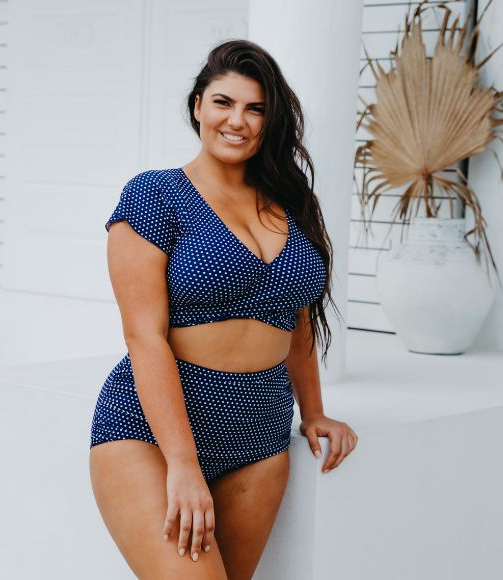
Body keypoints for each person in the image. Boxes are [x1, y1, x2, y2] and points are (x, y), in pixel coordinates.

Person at [88, 39, 358, 580]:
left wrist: (314, 412)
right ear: (197, 107)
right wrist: (182, 464)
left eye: (256, 108)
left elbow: (297, 317)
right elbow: (145, 337)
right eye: (223, 102)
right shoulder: (154, 196)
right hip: (150, 435)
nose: (238, 120)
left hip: (259, 437)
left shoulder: (290, 200)